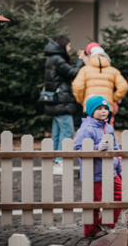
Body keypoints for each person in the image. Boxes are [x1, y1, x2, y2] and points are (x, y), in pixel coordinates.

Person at [74, 95, 122, 237]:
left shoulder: (108, 127)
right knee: (93, 203)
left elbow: (116, 147)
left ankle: (107, 224)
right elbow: (77, 149)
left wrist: (119, 164)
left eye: (105, 108)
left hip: (111, 172)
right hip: (94, 174)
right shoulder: (86, 129)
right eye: (99, 109)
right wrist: (96, 148)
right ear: (90, 111)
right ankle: (91, 230)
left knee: (118, 197)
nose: (103, 111)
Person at [44, 35, 87, 175]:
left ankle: (55, 161)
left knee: (57, 133)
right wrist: (80, 61)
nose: (69, 48)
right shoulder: (58, 59)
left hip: (55, 101)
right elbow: (72, 73)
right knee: (67, 131)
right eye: (68, 46)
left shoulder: (52, 58)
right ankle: (60, 161)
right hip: (62, 101)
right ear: (62, 45)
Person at [72, 43, 128, 127]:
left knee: (89, 130)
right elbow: (123, 86)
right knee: (104, 130)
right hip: (106, 105)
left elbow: (77, 87)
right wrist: (113, 98)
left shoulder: (84, 70)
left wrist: (82, 100)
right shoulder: (113, 71)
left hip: (89, 105)